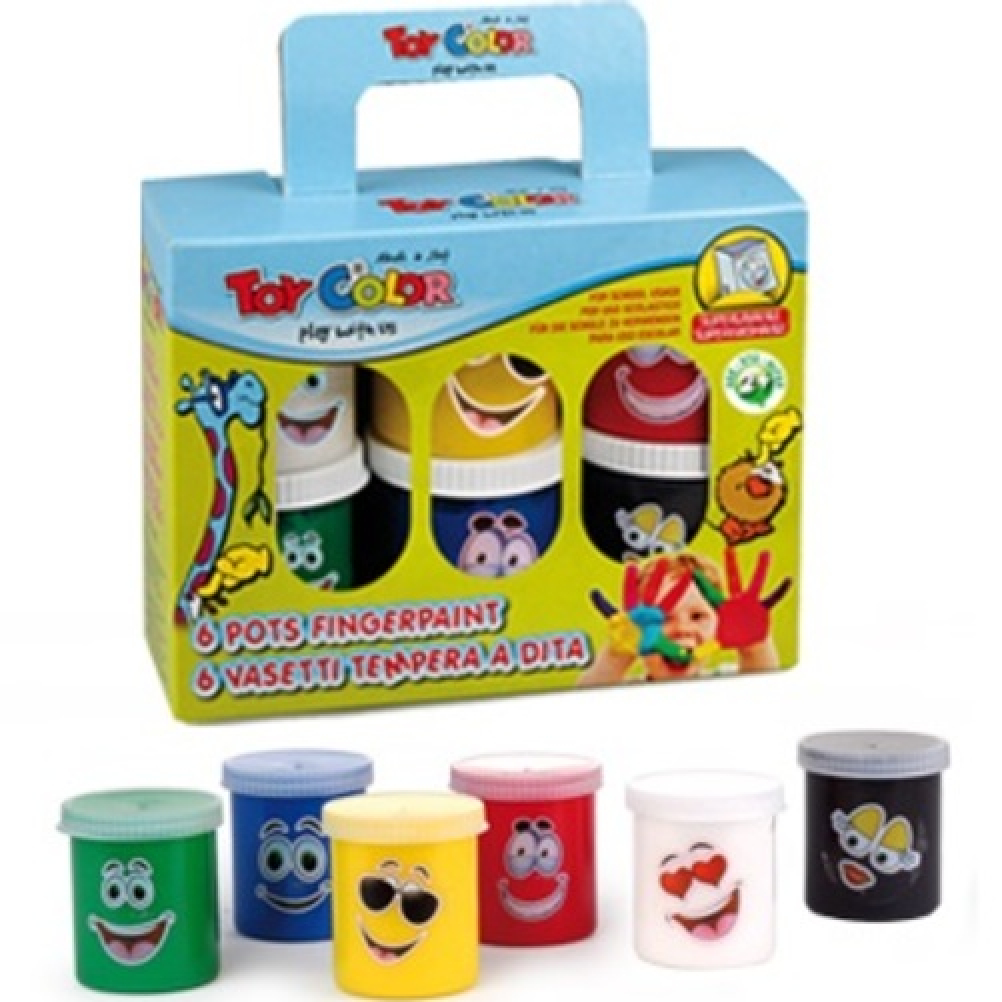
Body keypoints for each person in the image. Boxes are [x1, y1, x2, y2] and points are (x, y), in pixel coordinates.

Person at [577, 549, 789, 686]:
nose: (682, 629)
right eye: (663, 619)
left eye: (697, 616)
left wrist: (753, 645)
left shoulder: (725, 681)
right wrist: (617, 656)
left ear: (720, 625)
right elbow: (585, 703)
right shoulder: (624, 691)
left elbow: (763, 691)